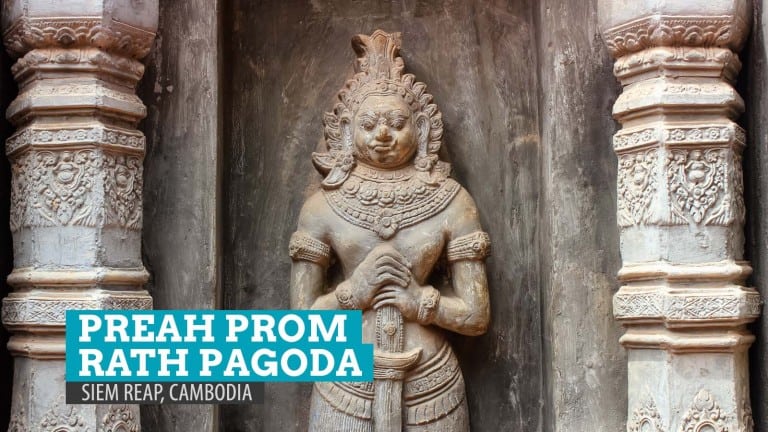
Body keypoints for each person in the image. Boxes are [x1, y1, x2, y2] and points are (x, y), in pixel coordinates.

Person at [289, 30, 491, 432]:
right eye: (369, 124)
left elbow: (477, 314)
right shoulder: (322, 208)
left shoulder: (452, 202)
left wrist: (420, 302)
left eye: (397, 123)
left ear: (422, 127)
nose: (382, 134)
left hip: (430, 383)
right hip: (345, 385)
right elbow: (300, 327)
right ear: (346, 130)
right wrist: (354, 292)